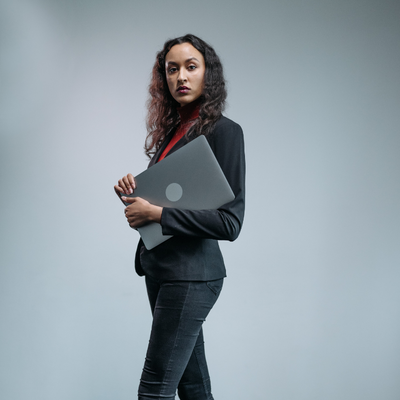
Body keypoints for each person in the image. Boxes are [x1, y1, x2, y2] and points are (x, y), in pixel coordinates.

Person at [114, 34, 245, 400]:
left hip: (191, 276)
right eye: (172, 70)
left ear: (208, 74)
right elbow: (175, 199)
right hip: (161, 271)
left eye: (191, 67)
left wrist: (157, 212)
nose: (180, 77)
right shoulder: (172, 133)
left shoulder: (225, 133)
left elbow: (229, 223)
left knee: (155, 389)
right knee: (192, 387)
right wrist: (133, 193)